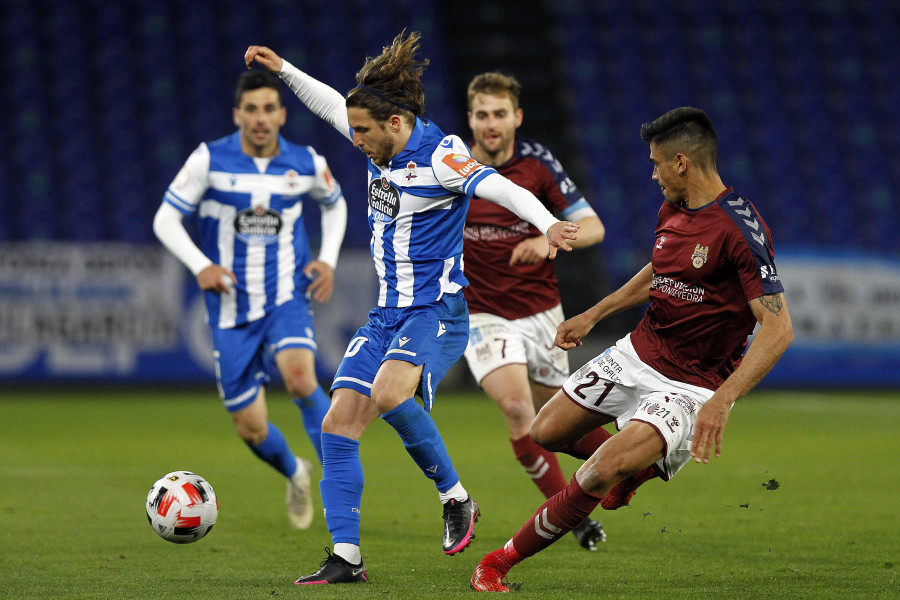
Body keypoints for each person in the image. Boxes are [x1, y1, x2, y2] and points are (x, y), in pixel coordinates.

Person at [245, 30, 580, 585]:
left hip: (437, 311)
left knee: (389, 393)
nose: (355, 140)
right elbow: (333, 103)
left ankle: (457, 498)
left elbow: (501, 188)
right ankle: (347, 559)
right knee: (337, 424)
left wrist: (548, 224)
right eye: (353, 129)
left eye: (363, 132)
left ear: (395, 124)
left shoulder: (441, 154)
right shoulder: (379, 133)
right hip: (388, 314)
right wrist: (284, 69)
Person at [471, 106, 794, 592]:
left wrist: (722, 400)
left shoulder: (740, 230)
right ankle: (635, 466)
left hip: (692, 385)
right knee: (545, 430)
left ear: (681, 162)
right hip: (638, 352)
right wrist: (593, 315)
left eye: (657, 163)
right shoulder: (674, 209)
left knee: (597, 473)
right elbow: (660, 269)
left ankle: (498, 562)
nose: (653, 173)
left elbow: (778, 327)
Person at [153, 70, 348, 531]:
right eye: (251, 110)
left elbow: (335, 203)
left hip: (286, 297)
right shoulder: (209, 160)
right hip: (229, 309)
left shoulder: (304, 162)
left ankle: (338, 484)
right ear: (237, 114)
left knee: (302, 379)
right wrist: (201, 264)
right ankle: (295, 472)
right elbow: (165, 219)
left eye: (269, 109)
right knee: (252, 428)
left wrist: (328, 259)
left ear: (282, 115)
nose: (260, 119)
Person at [461, 72, 608, 551]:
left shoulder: (539, 165)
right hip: (481, 313)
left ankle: (625, 463)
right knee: (518, 408)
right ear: (471, 119)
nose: (491, 124)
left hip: (540, 311)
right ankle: (573, 515)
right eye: (482, 114)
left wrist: (545, 237)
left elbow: (592, 227)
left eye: (499, 114)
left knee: (555, 421)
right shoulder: (452, 166)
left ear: (516, 117)